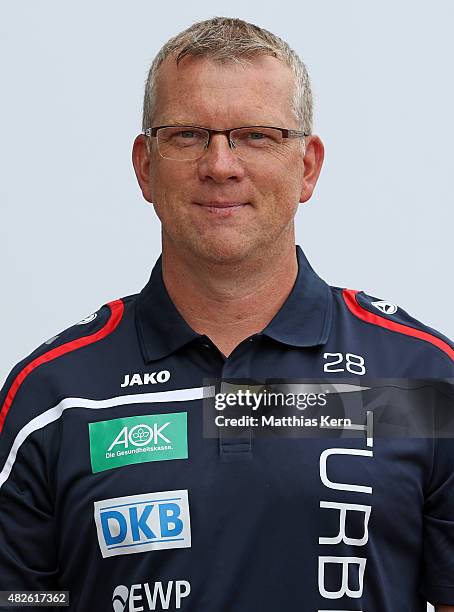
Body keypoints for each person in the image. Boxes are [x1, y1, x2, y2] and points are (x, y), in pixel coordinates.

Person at [0, 16, 453, 612]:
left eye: (256, 136)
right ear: (144, 164)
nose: (220, 164)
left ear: (308, 167)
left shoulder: (419, 380)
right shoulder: (54, 397)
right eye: (187, 135)